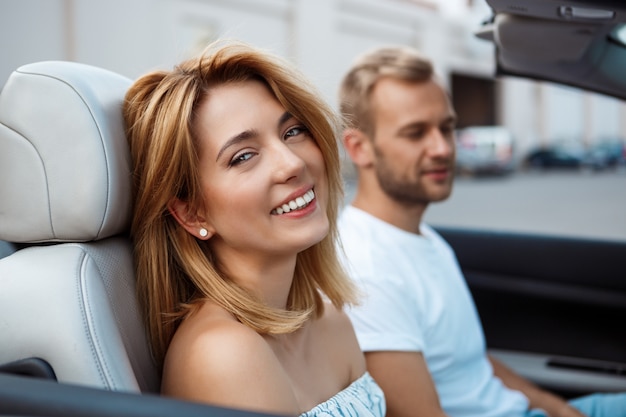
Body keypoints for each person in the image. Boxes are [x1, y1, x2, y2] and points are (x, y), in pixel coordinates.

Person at [337, 45, 626, 417]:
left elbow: (476, 365)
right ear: (360, 148)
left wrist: (564, 411)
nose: (442, 148)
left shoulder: (426, 239)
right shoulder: (367, 270)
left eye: (447, 127)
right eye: (415, 133)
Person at [122, 40, 385, 417]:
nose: (291, 163)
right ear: (192, 213)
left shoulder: (329, 318)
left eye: (292, 131)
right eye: (243, 156)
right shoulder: (222, 353)